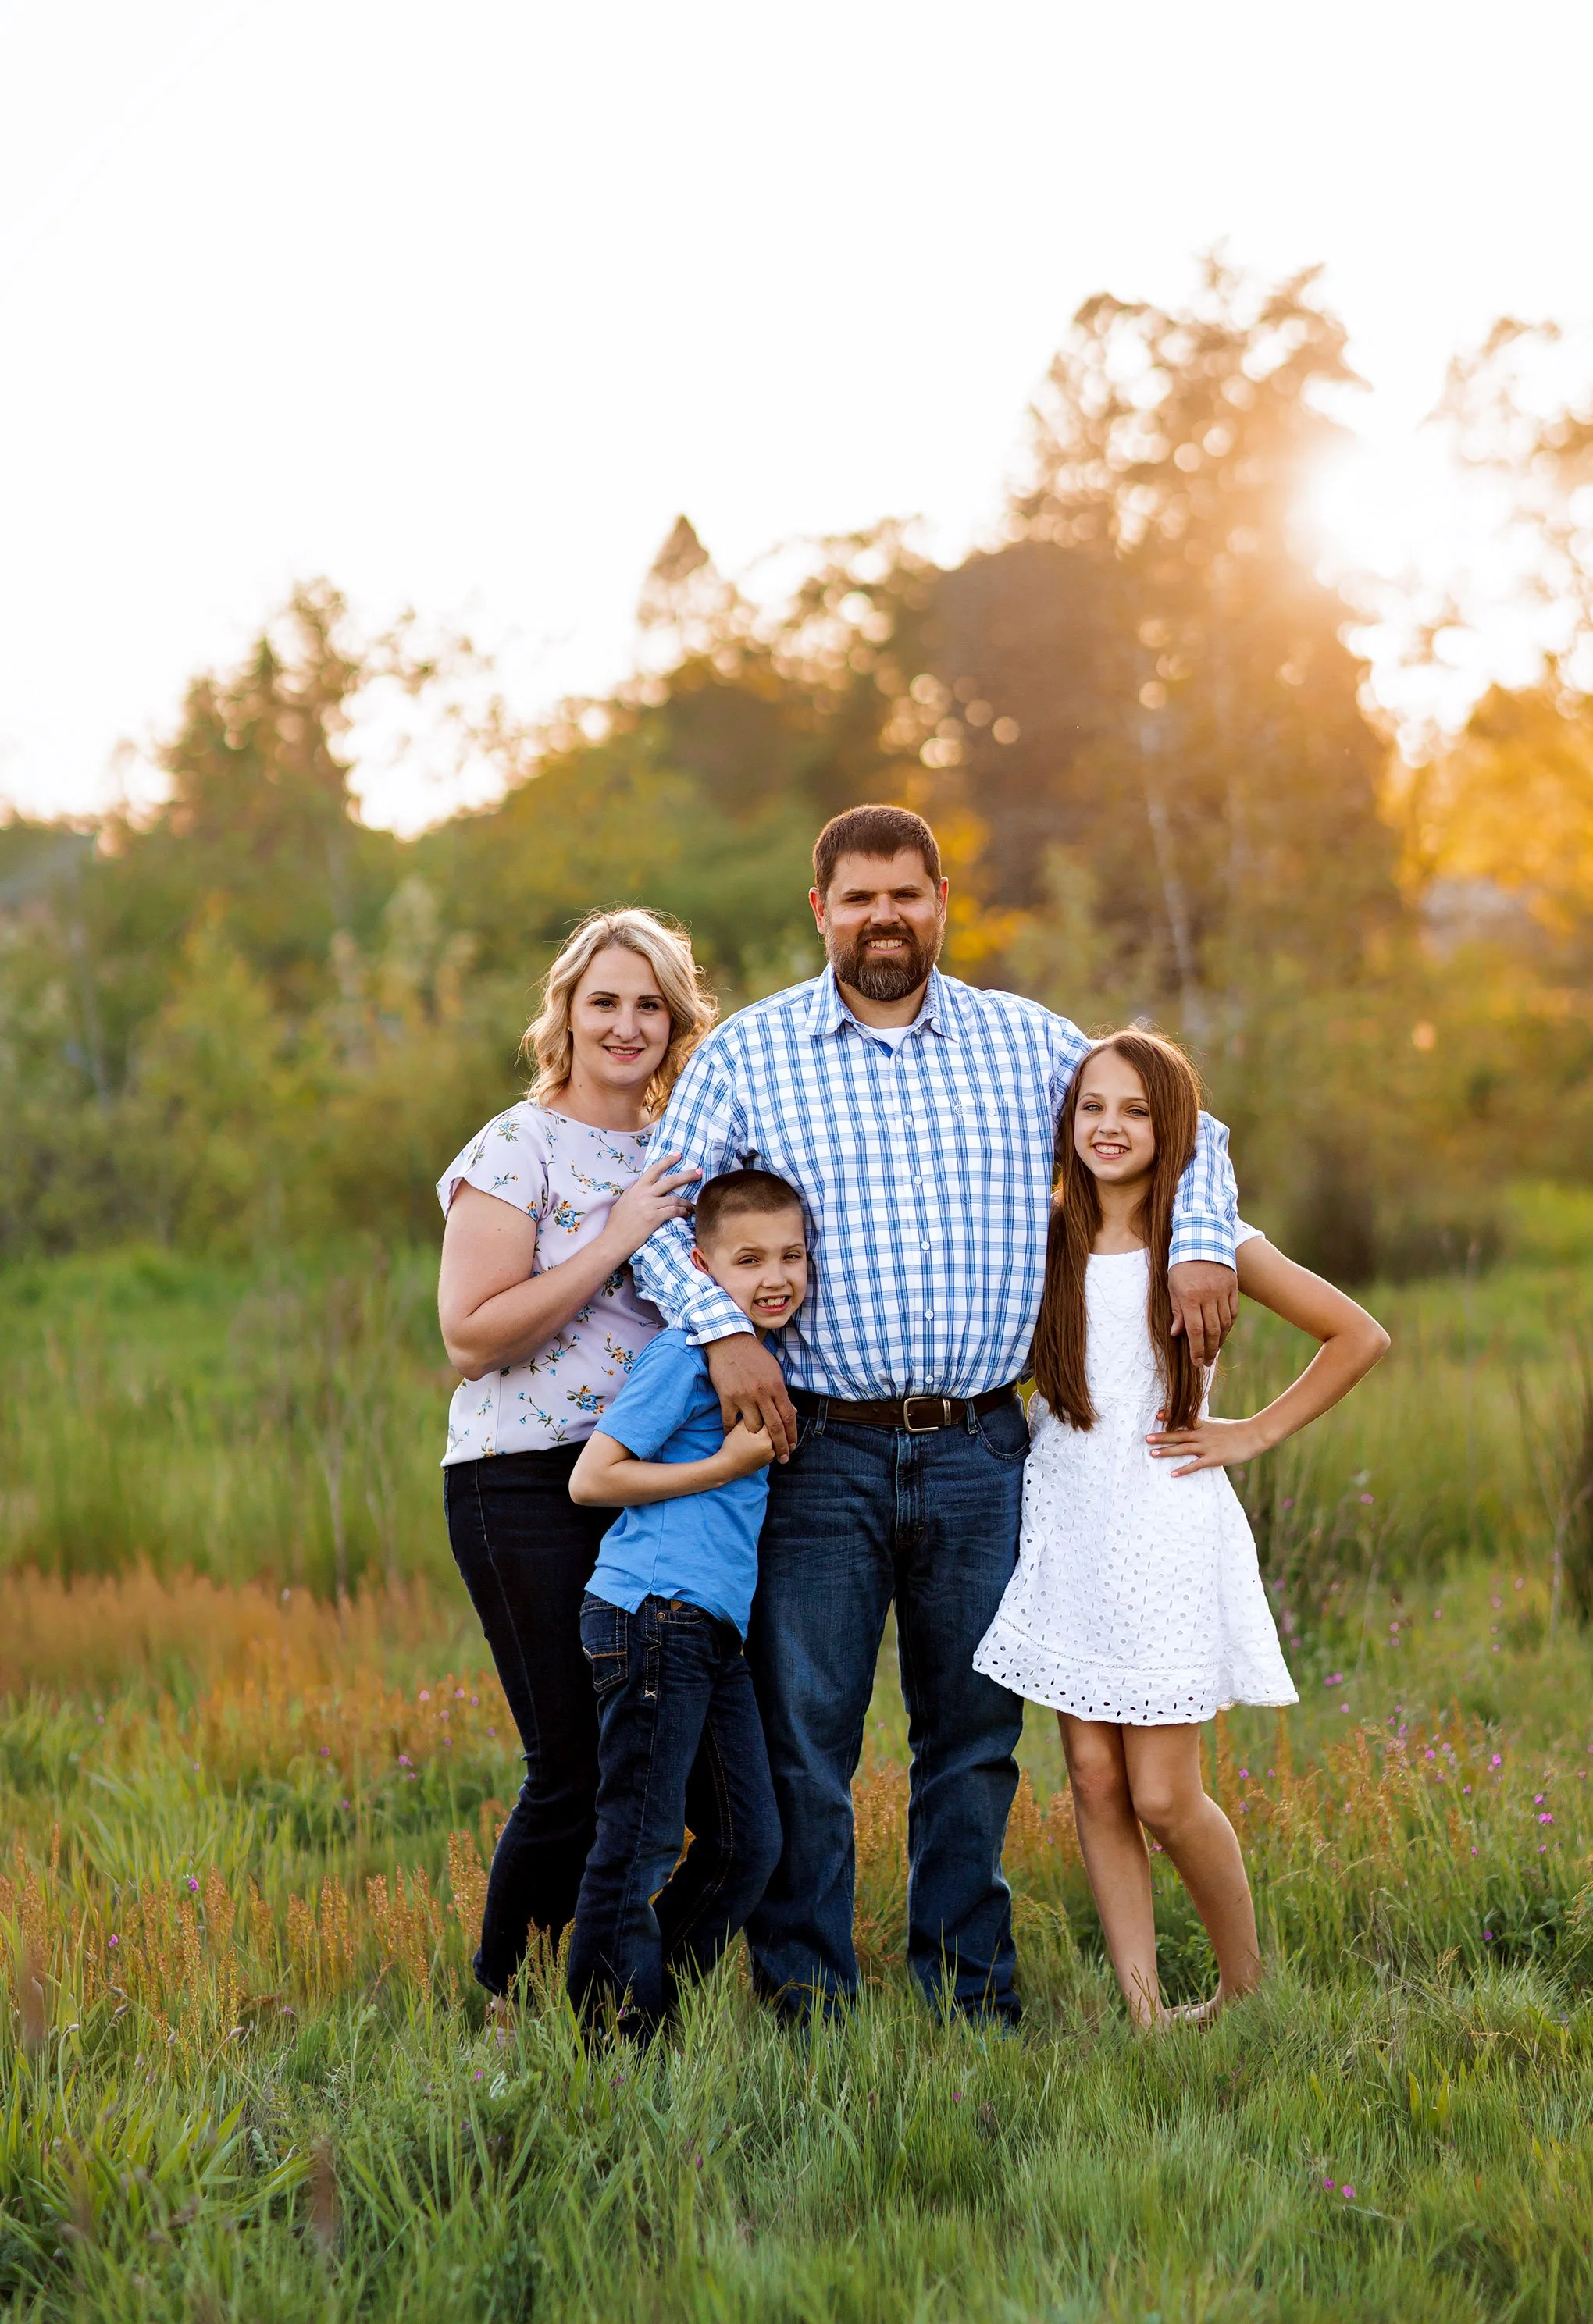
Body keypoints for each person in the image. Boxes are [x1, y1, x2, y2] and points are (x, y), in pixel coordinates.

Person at [629, 803, 1242, 2023]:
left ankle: (971, 1995)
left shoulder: (1027, 1044)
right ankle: (807, 2004)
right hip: (818, 1449)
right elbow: (654, 1216)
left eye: (905, 894)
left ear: (942, 900)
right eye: (857, 898)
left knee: (972, 1742)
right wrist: (725, 1330)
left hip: (984, 1446)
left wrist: (1202, 1245)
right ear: (821, 912)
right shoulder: (751, 1055)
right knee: (809, 1744)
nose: (883, 918)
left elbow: (1188, 1126)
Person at [974, 1030, 1389, 2030]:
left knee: (1161, 1793)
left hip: (1161, 1518)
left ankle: (1244, 1984)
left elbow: (1357, 1333)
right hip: (1067, 1517)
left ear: (1173, 1129)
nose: (1109, 1128)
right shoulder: (1041, 1235)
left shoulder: (1207, 1240)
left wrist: (1250, 1432)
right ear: (1066, 1126)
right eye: (1092, 1109)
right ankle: (1145, 2008)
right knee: (1090, 1778)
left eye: (1135, 1111)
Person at [434, 909, 710, 1998]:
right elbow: (470, 1336)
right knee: (573, 1766)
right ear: (567, 1012)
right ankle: (504, 2007)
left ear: (677, 1020)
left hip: (648, 1483)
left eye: (650, 1004)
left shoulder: (680, 1150)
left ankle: (615, 1993)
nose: (627, 1024)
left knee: (661, 1770)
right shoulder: (519, 1144)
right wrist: (615, 1239)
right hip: (523, 1480)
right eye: (606, 1000)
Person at [565, 1171, 808, 2035]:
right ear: (702, 1268)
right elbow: (591, 1478)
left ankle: (649, 2006)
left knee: (749, 1845)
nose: (774, 1276)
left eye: (791, 1256)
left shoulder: (765, 1353)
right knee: (638, 1842)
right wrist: (721, 1469)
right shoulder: (685, 1353)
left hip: (708, 1629)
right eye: (747, 1260)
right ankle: (612, 2048)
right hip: (651, 1611)